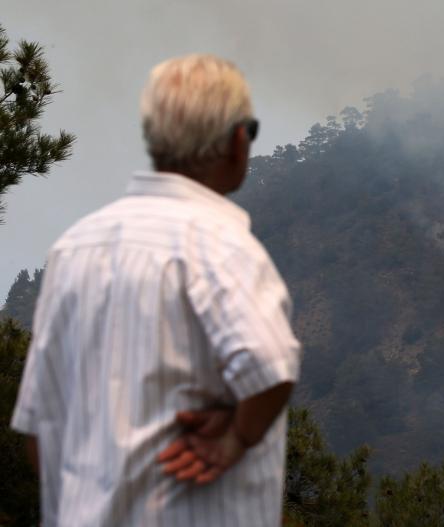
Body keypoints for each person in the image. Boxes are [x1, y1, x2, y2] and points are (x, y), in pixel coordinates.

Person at [10, 54, 301, 526]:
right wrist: (234, 440)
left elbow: (39, 427)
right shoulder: (221, 246)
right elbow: (271, 366)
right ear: (236, 140)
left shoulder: (74, 248)